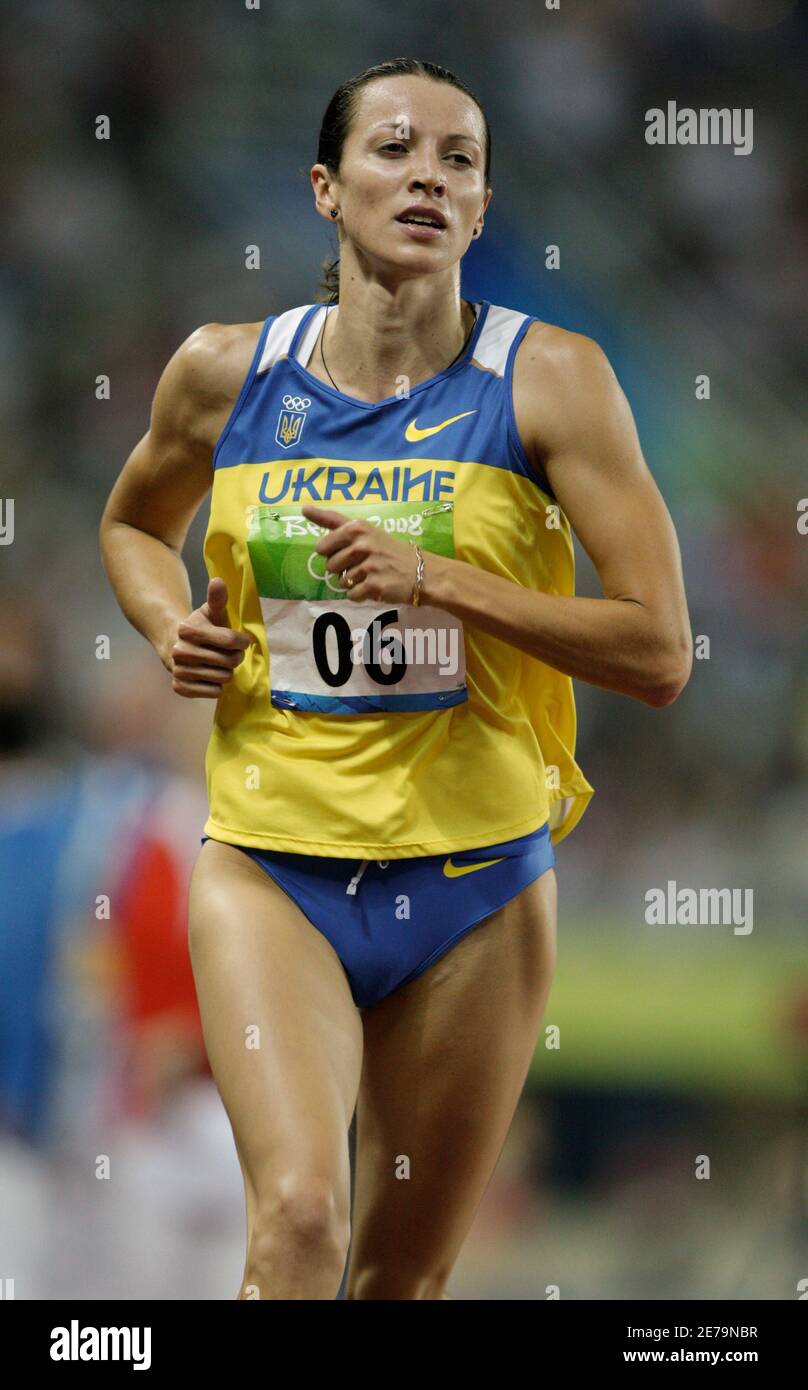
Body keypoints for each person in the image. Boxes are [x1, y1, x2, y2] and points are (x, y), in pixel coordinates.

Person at [99, 57, 692, 1300]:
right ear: (325, 188)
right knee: (301, 1223)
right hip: (272, 861)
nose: (427, 173)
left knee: (396, 1282)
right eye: (393, 149)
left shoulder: (550, 381)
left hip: (472, 884)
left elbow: (659, 651)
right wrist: (167, 629)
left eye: (458, 159)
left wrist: (443, 582)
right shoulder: (225, 373)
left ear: (481, 207)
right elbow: (131, 525)